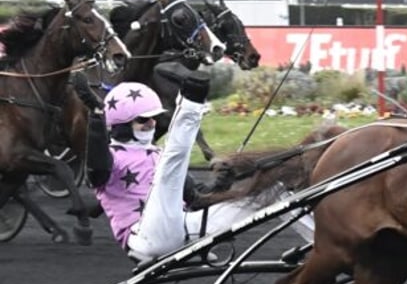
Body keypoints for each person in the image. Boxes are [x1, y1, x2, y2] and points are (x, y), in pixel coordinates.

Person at [73, 72, 313, 262]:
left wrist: (221, 185)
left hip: (184, 230)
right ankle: (190, 105)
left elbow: (194, 198)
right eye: (144, 119)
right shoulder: (112, 157)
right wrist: (96, 114)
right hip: (145, 238)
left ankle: (324, 245)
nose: (152, 124)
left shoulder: (155, 155)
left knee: (274, 191)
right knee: (171, 164)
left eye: (154, 118)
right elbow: (96, 171)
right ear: (122, 123)